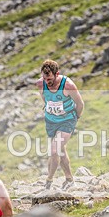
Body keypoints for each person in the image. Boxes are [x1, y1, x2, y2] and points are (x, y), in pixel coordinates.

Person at [38, 59, 84, 190]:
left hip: (67, 120)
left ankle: (49, 181)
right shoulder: (40, 84)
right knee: (61, 150)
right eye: (45, 78)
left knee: (54, 150)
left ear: (57, 74)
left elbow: (80, 104)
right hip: (51, 121)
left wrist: (76, 118)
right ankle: (69, 179)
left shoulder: (68, 85)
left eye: (50, 79)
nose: (47, 82)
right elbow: (45, 98)